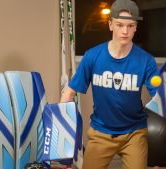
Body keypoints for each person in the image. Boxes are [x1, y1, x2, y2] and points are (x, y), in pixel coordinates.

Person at [60, 0, 159, 168]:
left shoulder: (146, 61)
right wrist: (61, 129)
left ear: (136, 27)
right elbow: (69, 93)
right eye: (120, 25)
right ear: (110, 24)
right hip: (101, 132)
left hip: (134, 132)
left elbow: (160, 97)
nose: (125, 31)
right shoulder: (93, 56)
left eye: (130, 25)